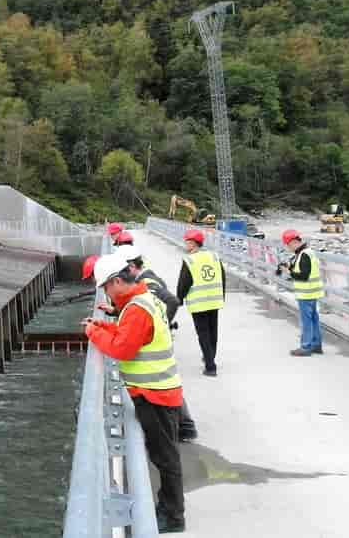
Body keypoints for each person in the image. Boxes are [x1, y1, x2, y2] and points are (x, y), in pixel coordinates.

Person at [83, 253, 186, 533]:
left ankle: (173, 515)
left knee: (165, 457)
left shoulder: (137, 308)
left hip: (155, 394)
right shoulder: (139, 301)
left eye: (106, 287)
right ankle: (169, 508)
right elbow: (127, 334)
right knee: (164, 454)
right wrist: (103, 326)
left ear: (117, 281)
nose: (106, 293)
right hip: (157, 391)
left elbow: (123, 349)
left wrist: (94, 334)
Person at [119, 246, 198, 442]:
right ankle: (186, 427)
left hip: (157, 338)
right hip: (158, 335)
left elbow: (172, 301)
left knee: (166, 380)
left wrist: (162, 324)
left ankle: (186, 427)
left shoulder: (147, 281)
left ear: (130, 267)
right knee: (167, 380)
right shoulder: (145, 278)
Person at [176, 228, 225, 376]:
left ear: (192, 243)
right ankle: (210, 356)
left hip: (199, 302)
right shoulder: (214, 256)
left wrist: (179, 298)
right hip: (214, 300)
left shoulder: (189, 260)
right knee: (212, 331)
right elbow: (222, 277)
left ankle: (210, 367)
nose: (186, 245)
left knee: (203, 333)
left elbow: (184, 282)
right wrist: (221, 295)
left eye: (187, 242)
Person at [277, 229, 325, 356]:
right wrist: (291, 267)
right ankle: (316, 345)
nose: (288, 248)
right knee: (313, 319)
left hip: (306, 293)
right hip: (312, 292)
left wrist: (288, 272)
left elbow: (303, 275)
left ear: (293, 242)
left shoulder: (303, 254)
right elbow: (304, 269)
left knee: (306, 321)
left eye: (287, 245)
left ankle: (306, 347)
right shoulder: (306, 252)